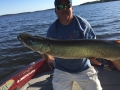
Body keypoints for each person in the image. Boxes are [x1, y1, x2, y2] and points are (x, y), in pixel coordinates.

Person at [42, 0, 102, 90]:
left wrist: (95, 58)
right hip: (61, 70)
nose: (64, 8)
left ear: (72, 8)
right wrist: (50, 60)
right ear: (55, 10)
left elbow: (94, 47)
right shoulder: (52, 29)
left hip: (84, 68)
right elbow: (46, 50)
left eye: (67, 5)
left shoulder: (83, 24)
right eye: (60, 6)